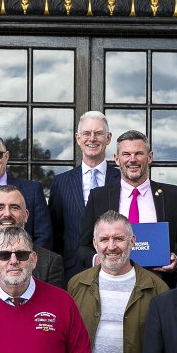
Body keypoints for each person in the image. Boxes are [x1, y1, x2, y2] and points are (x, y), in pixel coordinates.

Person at [67, 211, 168, 353]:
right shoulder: (76, 284)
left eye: (118, 239)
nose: (111, 246)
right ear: (94, 244)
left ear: (132, 241)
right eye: (104, 239)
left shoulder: (157, 288)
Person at [77, 130, 177, 277]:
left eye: (139, 153)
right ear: (117, 159)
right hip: (112, 284)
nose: (132, 160)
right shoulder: (98, 196)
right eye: (126, 154)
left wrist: (176, 259)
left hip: (160, 286)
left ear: (150, 157)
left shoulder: (172, 195)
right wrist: (97, 260)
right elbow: (83, 247)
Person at [49, 111, 118, 282]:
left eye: (98, 133)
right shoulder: (60, 182)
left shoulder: (122, 181)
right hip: (72, 272)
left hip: (117, 268)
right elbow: (55, 233)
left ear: (108, 138)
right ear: (78, 138)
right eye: (86, 133)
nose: (92, 139)